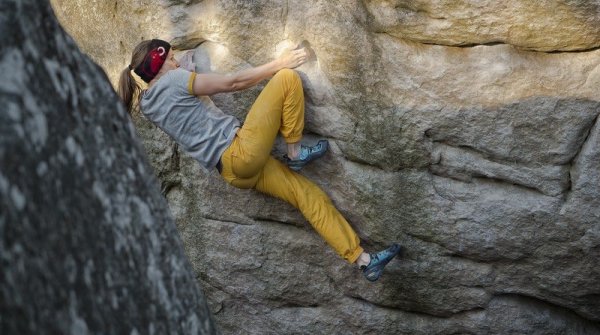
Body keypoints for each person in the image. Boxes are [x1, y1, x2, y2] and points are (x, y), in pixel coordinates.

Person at [117, 39, 400, 282]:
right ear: (159, 63)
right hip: (241, 152)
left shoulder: (148, 105)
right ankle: (295, 152)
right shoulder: (174, 80)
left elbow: (186, 101)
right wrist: (281, 61)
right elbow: (233, 82)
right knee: (287, 78)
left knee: (307, 195)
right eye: (171, 57)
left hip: (233, 173)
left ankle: (363, 260)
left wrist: (184, 66)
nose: (177, 60)